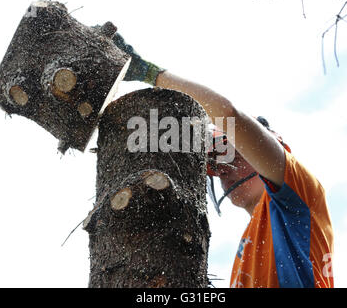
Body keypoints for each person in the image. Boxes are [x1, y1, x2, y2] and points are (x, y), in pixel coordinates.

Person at [112, 33, 334, 288]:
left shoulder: (301, 193)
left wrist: (150, 74)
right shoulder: (248, 247)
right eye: (214, 165)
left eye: (232, 154)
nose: (221, 170)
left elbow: (228, 114)